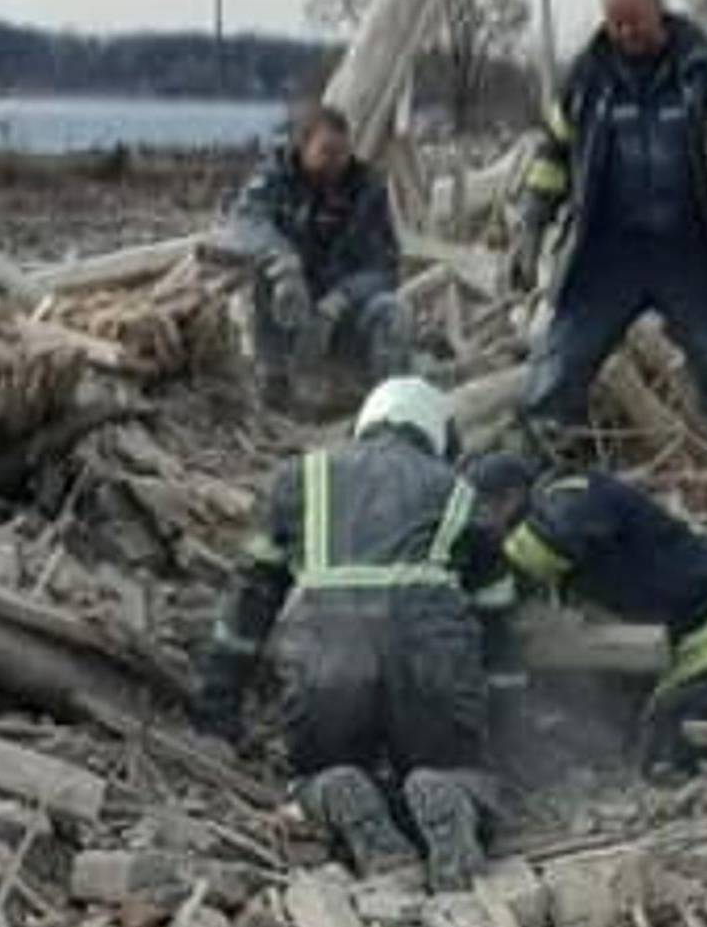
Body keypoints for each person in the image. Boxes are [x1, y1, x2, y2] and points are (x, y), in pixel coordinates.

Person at [197, 375, 511, 882]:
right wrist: (504, 721)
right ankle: (453, 792)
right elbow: (497, 620)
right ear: (437, 435)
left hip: (328, 654)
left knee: (315, 772)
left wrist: (218, 709)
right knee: (456, 772)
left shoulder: (300, 477)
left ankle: (331, 789)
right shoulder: (459, 491)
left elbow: (248, 602)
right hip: (428, 652)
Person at [514, 0, 707, 489]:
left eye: (635, 23)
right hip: (606, 253)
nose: (626, 35)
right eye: (616, 25)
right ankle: (527, 474)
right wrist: (531, 227)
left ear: (659, 9)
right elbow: (551, 157)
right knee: (561, 362)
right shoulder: (586, 78)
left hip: (688, 249)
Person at [470, 454, 707, 768]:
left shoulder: (573, 492)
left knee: (676, 746)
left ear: (512, 495)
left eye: (486, 512)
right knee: (654, 738)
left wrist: (481, 580)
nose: (487, 526)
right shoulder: (559, 509)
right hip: (694, 631)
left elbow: (547, 544)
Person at [230, 100, 408, 398]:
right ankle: (275, 385)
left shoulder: (367, 189)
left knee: (392, 311)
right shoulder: (276, 177)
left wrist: (340, 300)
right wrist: (283, 260)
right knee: (261, 280)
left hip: (343, 308)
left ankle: (377, 399)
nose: (336, 162)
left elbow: (386, 266)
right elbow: (247, 221)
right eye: (326, 152)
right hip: (289, 305)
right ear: (303, 147)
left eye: (342, 153)